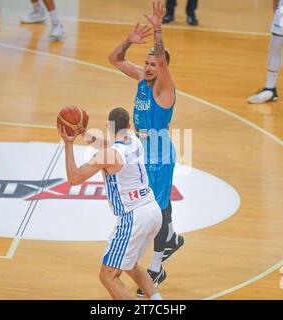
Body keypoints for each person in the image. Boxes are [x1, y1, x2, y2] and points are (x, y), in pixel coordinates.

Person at [108, 1, 184, 297]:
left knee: (158, 210)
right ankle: (172, 238)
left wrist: (157, 28)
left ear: (163, 66)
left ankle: (156, 267)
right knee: (152, 205)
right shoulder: (142, 79)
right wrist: (128, 40)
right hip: (141, 150)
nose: (150, 67)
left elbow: (162, 62)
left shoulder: (165, 88)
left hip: (160, 156)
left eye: (155, 64)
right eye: (148, 63)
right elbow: (113, 59)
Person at [58, 107, 163, 300]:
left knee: (107, 275)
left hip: (134, 217)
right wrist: (83, 134)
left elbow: (74, 178)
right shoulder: (134, 141)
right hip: (153, 210)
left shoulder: (108, 156)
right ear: (128, 127)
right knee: (129, 265)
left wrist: (68, 144)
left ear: (108, 125)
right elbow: (108, 145)